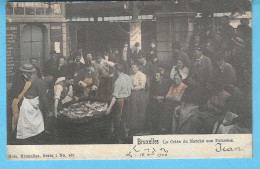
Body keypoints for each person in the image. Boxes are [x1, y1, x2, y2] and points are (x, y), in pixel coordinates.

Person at [106, 64, 133, 143]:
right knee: (123, 120)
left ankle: (117, 139)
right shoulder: (127, 77)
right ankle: (125, 137)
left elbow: (114, 97)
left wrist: (109, 108)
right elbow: (131, 87)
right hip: (127, 100)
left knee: (117, 120)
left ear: (117, 71)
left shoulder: (118, 81)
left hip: (120, 101)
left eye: (114, 70)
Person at [146, 69, 171, 134]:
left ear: (161, 77)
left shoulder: (165, 84)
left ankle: (161, 127)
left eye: (157, 76)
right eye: (155, 76)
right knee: (152, 107)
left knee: (162, 108)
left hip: (164, 101)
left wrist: (162, 97)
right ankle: (153, 128)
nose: (155, 77)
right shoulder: (154, 84)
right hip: (155, 100)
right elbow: (151, 94)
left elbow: (168, 94)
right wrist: (156, 97)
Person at [126, 64, 147, 134]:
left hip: (140, 94)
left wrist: (134, 88)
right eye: (132, 68)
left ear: (138, 67)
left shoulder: (141, 75)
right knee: (133, 110)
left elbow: (142, 86)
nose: (133, 69)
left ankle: (139, 128)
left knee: (139, 110)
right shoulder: (131, 75)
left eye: (134, 68)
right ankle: (133, 127)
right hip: (133, 93)